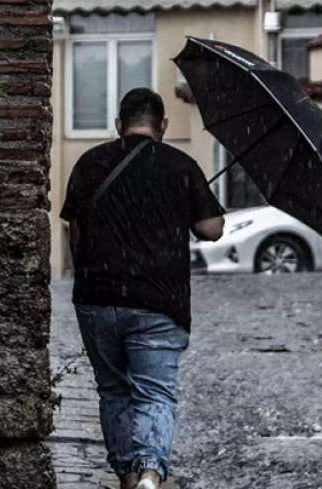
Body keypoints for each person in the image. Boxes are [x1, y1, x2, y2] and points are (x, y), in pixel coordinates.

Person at [60, 88, 225, 489]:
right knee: (154, 393)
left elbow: (73, 227)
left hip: (97, 298)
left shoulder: (89, 163)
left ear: (119, 125)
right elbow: (211, 230)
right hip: (159, 301)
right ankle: (151, 472)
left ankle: (127, 476)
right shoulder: (180, 166)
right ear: (163, 125)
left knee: (113, 390)